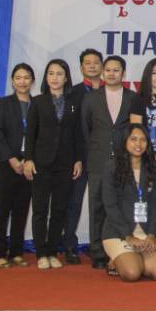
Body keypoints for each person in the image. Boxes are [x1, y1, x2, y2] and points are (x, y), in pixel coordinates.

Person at [80, 55, 138, 269]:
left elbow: (135, 130)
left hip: (124, 161)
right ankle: (97, 254)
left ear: (123, 73)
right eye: (109, 70)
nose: (112, 74)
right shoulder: (91, 98)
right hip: (98, 160)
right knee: (97, 206)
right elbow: (85, 129)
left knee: (122, 206)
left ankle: (120, 250)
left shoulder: (133, 97)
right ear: (103, 73)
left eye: (116, 70)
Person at [25, 59, 82, 269]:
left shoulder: (74, 103)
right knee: (40, 209)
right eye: (51, 73)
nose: (55, 78)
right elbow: (30, 134)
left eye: (59, 74)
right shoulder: (38, 102)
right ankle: (41, 253)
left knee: (59, 210)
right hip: (41, 163)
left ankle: (52, 251)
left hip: (65, 163)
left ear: (66, 78)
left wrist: (78, 159)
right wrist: (28, 159)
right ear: (46, 77)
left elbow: (78, 134)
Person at [102, 124, 156, 282]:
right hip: (120, 232)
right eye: (133, 139)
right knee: (132, 273)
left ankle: (131, 258)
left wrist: (152, 235)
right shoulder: (111, 167)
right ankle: (119, 259)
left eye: (143, 140)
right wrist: (128, 237)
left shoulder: (154, 168)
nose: (138, 144)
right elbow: (110, 206)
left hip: (147, 231)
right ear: (125, 141)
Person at [0, 63, 35, 268]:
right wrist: (12, 159)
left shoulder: (37, 104)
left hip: (28, 165)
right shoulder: (3, 103)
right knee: (1, 209)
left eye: (26, 78)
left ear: (32, 81)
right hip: (5, 164)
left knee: (21, 210)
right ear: (12, 81)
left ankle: (16, 252)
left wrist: (28, 160)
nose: (22, 82)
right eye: (18, 77)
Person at [61, 48, 103, 264]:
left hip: (103, 158)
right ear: (81, 67)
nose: (92, 66)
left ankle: (100, 246)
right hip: (79, 157)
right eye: (88, 63)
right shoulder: (73, 93)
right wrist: (75, 157)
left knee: (101, 204)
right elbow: (69, 127)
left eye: (96, 62)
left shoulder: (111, 91)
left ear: (102, 66)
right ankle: (69, 245)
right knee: (74, 203)